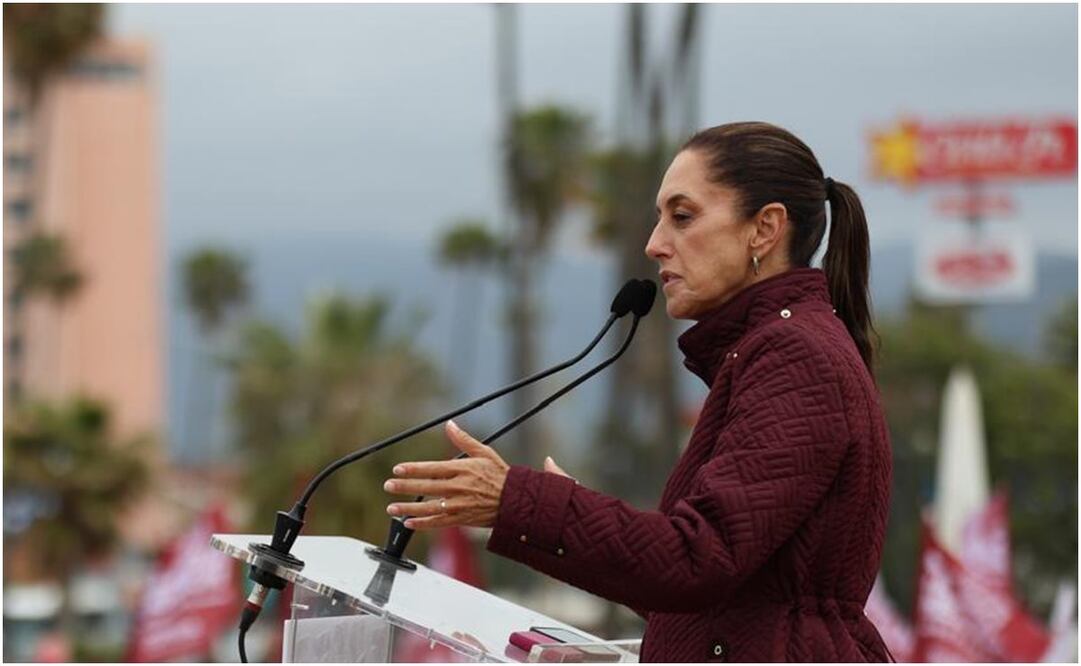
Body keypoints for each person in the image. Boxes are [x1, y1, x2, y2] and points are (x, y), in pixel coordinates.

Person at [384, 121, 893, 662]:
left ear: (764, 229)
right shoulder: (776, 348)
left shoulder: (795, 356)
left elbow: (699, 561)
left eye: (682, 216)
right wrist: (565, 515)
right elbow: (719, 597)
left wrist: (521, 502)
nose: (654, 244)